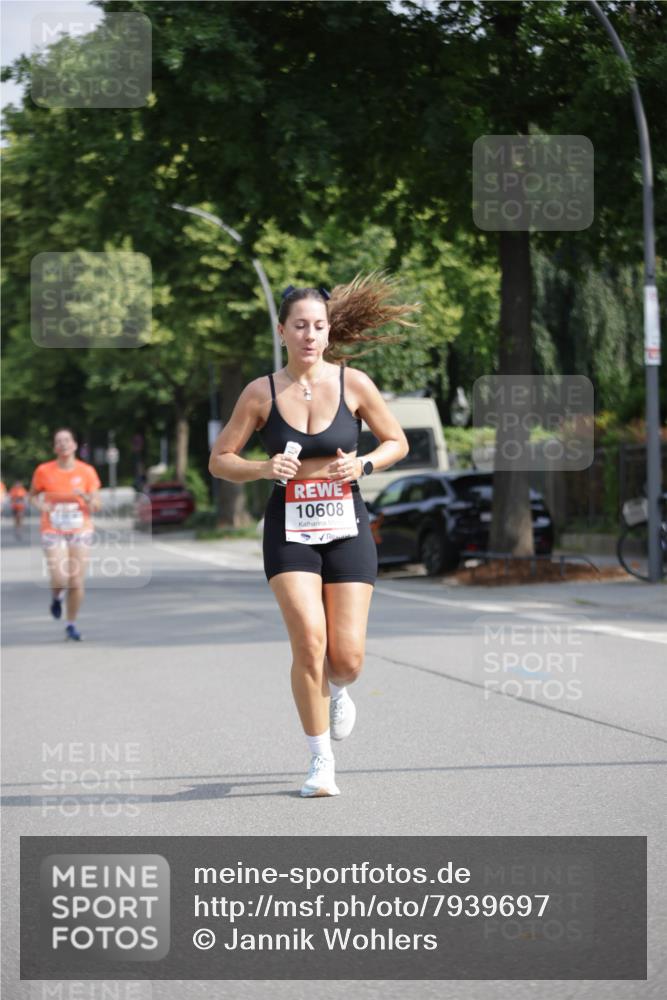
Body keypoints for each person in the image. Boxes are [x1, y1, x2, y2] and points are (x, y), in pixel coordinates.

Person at [209, 273, 416, 797]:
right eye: (299, 326)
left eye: (318, 326)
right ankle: (320, 761)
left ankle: (338, 689)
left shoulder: (355, 384)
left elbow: (396, 442)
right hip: (290, 529)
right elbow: (220, 460)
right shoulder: (260, 393)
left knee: (346, 658)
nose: (309, 335)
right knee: (309, 640)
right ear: (282, 331)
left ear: (329, 332)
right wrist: (262, 468)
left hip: (347, 525)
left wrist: (364, 465)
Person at [29, 428, 102, 641]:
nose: (63, 444)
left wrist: (86, 498)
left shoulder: (87, 471)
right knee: (60, 577)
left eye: (67, 440)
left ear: (75, 445)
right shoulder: (43, 470)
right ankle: (56, 596)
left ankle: (71, 624)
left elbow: (96, 505)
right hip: (53, 528)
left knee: (76, 580)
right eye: (58, 441)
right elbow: (32, 496)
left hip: (80, 528)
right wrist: (41, 505)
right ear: (54, 447)